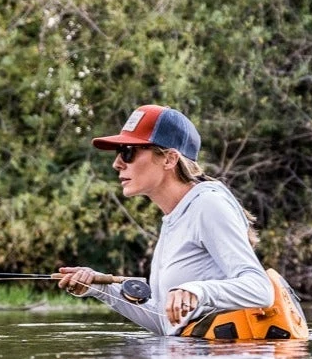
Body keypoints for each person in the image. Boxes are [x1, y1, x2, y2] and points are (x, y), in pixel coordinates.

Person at [55, 104, 274, 335]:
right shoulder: (175, 216)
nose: (117, 163)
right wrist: (100, 288)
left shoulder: (208, 205)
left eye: (128, 152)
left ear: (169, 159)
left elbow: (260, 290)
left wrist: (196, 291)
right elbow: (165, 323)